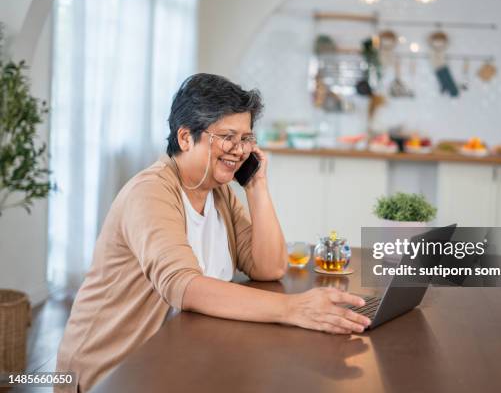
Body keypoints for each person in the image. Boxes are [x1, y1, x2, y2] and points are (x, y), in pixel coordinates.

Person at [55, 74, 371, 392]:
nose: (239, 150)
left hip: (181, 353)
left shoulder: (218, 191)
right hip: (116, 371)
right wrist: (294, 309)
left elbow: (269, 266)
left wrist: (257, 185)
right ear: (185, 138)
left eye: (246, 138)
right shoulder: (151, 192)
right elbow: (184, 286)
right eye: (227, 137)